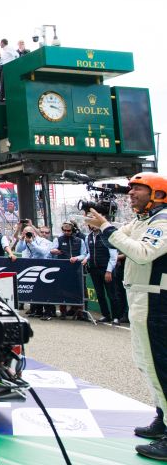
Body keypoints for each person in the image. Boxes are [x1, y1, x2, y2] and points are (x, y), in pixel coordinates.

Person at [86, 173, 167, 461]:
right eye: (130, 188)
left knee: (160, 367)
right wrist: (103, 225)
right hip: (142, 296)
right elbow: (118, 242)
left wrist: (107, 227)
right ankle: (163, 419)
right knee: (147, 364)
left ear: (156, 193)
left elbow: (142, 253)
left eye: (138, 189)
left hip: (156, 298)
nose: (131, 193)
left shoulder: (163, 220)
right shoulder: (144, 220)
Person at [83, 223, 120, 324]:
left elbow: (113, 256)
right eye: (91, 224)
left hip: (106, 269)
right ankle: (105, 315)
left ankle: (116, 317)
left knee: (112, 294)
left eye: (95, 223)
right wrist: (86, 259)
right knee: (99, 294)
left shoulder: (106, 237)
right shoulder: (88, 237)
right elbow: (90, 252)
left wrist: (109, 271)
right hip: (94, 269)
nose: (93, 225)